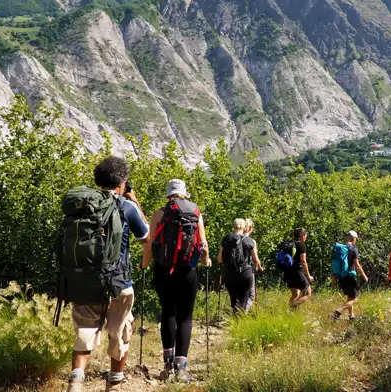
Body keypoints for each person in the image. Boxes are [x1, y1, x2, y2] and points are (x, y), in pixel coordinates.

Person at [66, 157, 149, 392]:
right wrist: (135, 202)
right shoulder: (127, 206)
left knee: (84, 331)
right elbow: (147, 238)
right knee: (121, 332)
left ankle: (76, 382)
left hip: (84, 281)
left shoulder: (83, 204)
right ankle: (114, 382)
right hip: (118, 283)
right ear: (122, 181)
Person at [142, 179, 210, 383]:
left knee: (168, 313)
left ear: (169, 195)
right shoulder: (195, 212)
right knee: (186, 317)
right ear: (184, 194)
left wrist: (144, 265)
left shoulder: (158, 214)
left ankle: (167, 363)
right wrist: (206, 261)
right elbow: (204, 244)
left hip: (164, 270)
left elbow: (150, 245)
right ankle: (181, 368)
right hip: (188, 270)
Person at [218, 218, 260, 314]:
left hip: (230, 273)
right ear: (244, 227)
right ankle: (239, 323)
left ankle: (235, 318)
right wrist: (256, 269)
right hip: (246, 273)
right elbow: (255, 259)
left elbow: (219, 258)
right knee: (244, 299)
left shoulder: (226, 239)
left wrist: (224, 266)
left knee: (234, 299)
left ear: (233, 226)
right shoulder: (250, 241)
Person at [331, 230, 368, 321]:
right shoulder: (353, 249)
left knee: (350, 297)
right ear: (354, 239)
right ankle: (337, 312)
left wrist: (334, 278)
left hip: (341, 276)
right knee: (355, 298)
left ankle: (351, 316)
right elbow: (357, 265)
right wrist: (364, 276)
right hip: (349, 277)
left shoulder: (341, 248)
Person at [287, 228, 314, 309]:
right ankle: (290, 309)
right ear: (302, 236)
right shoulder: (301, 245)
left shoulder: (289, 244)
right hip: (298, 273)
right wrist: (308, 275)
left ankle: (291, 314)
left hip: (288, 272)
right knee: (308, 293)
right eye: (305, 236)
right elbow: (303, 261)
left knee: (295, 295)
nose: (306, 238)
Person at [243, 219, 263, 312]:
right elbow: (255, 258)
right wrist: (259, 268)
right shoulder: (251, 241)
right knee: (251, 295)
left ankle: (236, 313)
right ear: (250, 228)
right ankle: (242, 314)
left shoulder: (233, 239)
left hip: (233, 270)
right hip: (248, 270)